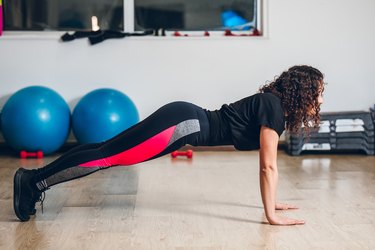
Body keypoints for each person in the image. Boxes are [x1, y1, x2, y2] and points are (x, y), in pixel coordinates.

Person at [13, 65, 325, 225]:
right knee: (107, 156)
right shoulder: (273, 108)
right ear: (303, 92)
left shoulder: (273, 105)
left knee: (106, 148)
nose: (321, 100)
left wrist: (272, 202)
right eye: (318, 92)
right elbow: (268, 166)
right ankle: (33, 182)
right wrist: (272, 215)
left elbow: (268, 168)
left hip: (183, 119)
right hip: (182, 125)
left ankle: (33, 178)